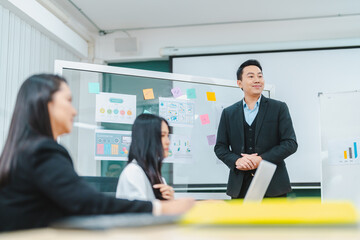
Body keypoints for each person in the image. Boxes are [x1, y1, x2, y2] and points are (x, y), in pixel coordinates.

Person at [0, 74, 194, 232]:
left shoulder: (25, 150)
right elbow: (87, 202)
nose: (74, 111)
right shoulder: (42, 151)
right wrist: (160, 208)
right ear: (45, 103)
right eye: (68, 100)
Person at [214, 59, 298, 199]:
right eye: (251, 76)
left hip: (273, 185)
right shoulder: (229, 113)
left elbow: (290, 143)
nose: (257, 80)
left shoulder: (278, 108)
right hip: (239, 186)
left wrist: (261, 160)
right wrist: (236, 161)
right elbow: (220, 147)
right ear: (239, 83)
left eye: (260, 76)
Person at [116, 114, 174, 201]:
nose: (168, 142)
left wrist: (170, 201)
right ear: (147, 138)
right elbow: (141, 212)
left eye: (168, 136)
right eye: (162, 136)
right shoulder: (133, 172)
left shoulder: (156, 176)